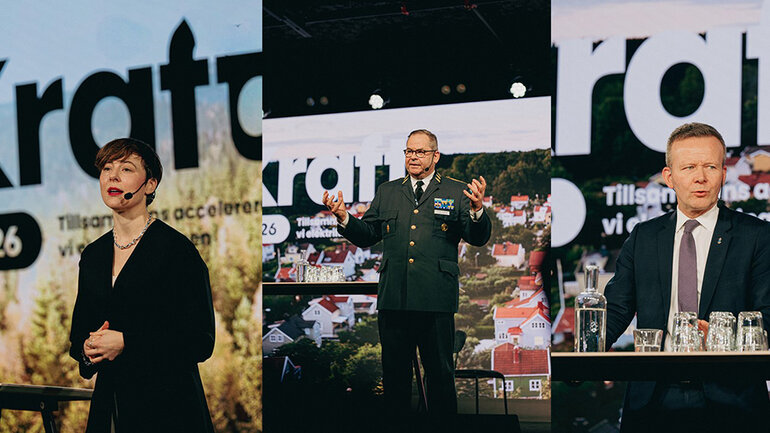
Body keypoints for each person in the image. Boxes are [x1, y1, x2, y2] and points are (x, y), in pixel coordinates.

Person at [603, 122, 770, 432]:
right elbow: (614, 311)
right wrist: (584, 351)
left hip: (732, 399)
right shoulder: (643, 237)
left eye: (710, 166)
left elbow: (768, 318)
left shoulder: (757, 236)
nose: (700, 177)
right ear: (669, 177)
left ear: (723, 173)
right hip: (653, 398)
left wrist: (723, 336)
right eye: (689, 166)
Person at [322, 129, 492, 421]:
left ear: (435, 156)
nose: (413, 157)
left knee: (439, 376)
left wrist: (477, 210)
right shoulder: (388, 191)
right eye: (408, 151)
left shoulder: (455, 190)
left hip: (435, 300)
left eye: (420, 152)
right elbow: (369, 234)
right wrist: (344, 218)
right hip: (394, 301)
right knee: (395, 378)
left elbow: (477, 237)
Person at [68, 138, 216, 433]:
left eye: (126, 168)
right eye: (107, 168)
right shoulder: (94, 255)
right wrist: (88, 348)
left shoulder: (176, 250)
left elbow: (200, 340)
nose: (112, 176)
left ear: (150, 184)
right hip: (111, 406)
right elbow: (79, 334)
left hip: (169, 409)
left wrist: (127, 342)